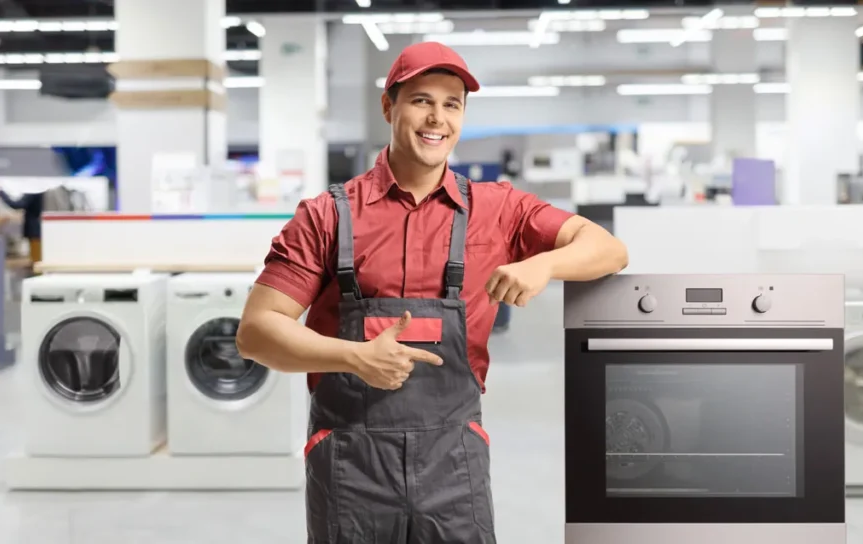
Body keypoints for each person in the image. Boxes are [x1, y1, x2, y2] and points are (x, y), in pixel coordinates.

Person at [236, 41, 628, 544]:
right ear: (389, 106)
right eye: (421, 99)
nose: (436, 118)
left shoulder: (498, 209)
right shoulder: (328, 215)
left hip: (453, 463)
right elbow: (255, 332)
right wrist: (354, 357)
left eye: (452, 104)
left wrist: (544, 264)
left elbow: (608, 248)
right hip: (351, 464)